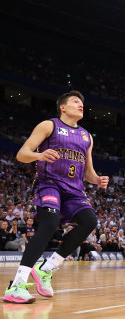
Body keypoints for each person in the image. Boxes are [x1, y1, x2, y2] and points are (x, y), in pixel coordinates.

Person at [3, 90, 108, 304]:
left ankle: (47, 268)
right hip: (49, 184)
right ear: (63, 106)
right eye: (76, 101)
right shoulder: (49, 125)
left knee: (90, 221)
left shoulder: (87, 136)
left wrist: (97, 179)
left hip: (75, 190)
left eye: (82, 102)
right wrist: (39, 155)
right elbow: (22, 154)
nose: (81, 105)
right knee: (50, 223)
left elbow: (88, 171)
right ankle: (17, 285)